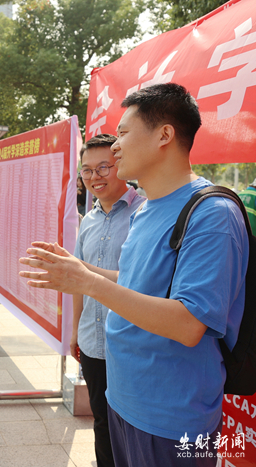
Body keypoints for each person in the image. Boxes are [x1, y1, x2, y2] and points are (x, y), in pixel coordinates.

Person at [19, 83, 248, 466]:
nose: (116, 146)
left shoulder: (211, 215)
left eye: (124, 133)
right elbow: (134, 284)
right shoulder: (147, 209)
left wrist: (87, 282)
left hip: (173, 418)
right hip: (124, 400)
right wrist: (80, 270)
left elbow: (190, 323)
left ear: (164, 135)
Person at [71, 134, 145, 467]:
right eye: (87, 171)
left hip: (132, 343)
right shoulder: (87, 220)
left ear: (122, 165)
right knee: (100, 422)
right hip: (92, 342)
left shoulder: (144, 213)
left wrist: (81, 271)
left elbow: (141, 283)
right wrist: (75, 331)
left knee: (133, 426)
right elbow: (77, 283)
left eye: (104, 167)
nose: (95, 177)